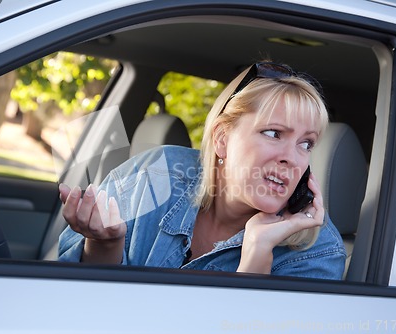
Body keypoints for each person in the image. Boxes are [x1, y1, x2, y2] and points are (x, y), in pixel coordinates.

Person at [58, 61, 346, 279]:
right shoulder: (157, 174)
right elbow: (75, 302)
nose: (293, 159)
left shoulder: (318, 253)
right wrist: (104, 244)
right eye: (273, 134)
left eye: (306, 144)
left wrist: (257, 255)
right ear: (222, 138)